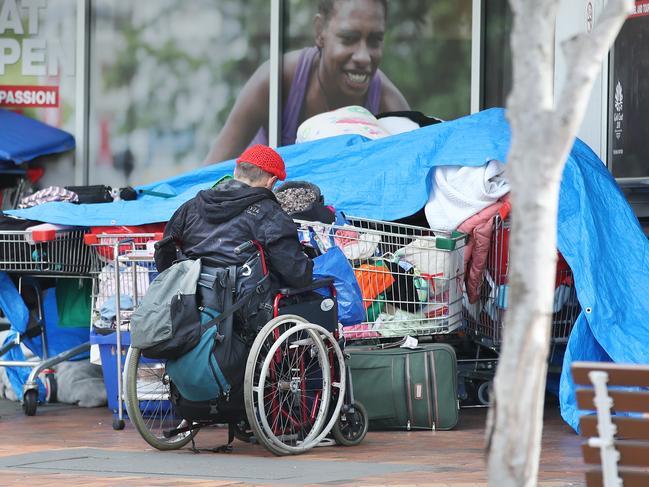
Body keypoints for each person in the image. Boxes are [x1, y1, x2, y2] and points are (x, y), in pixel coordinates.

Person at [203, 0, 409, 164]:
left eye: (375, 41)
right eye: (349, 38)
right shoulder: (276, 81)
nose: (364, 57)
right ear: (320, 31)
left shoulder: (389, 105)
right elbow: (209, 172)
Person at [162, 144, 313, 292]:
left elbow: (164, 251)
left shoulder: (190, 207)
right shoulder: (271, 215)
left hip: (190, 300)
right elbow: (297, 275)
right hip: (248, 309)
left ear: (235, 171)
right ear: (271, 181)